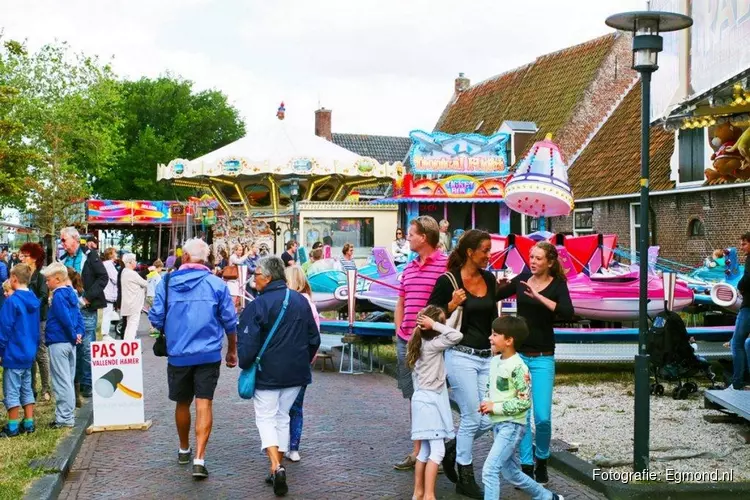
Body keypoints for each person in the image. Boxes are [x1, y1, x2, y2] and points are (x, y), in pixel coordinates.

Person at [148, 238, 238, 480]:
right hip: (208, 353)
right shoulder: (217, 284)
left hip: (178, 354)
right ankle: (200, 458)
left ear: (185, 258)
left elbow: (156, 318)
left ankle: (183, 448)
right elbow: (230, 321)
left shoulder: (166, 283)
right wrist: (232, 350)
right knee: (204, 403)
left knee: (182, 403)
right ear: (205, 259)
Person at [238, 256, 320, 496]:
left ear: (268, 276)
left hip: (267, 373)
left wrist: (245, 363)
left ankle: (276, 466)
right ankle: (276, 467)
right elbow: (314, 338)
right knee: (283, 417)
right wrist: (303, 361)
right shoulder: (300, 301)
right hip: (296, 373)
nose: (254, 278)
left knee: (265, 418)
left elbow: (248, 343)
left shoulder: (258, 305)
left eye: (257, 274)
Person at [427, 229, 501, 497]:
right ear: (470, 253)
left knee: (490, 416)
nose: (489, 255)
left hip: (486, 357)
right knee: (471, 417)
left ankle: (450, 451)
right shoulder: (448, 281)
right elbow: (428, 318)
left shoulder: (490, 279)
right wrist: (450, 305)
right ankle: (465, 477)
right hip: (460, 355)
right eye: (485, 250)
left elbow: (493, 317)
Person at [496, 241, 574, 483]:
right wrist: (499, 286)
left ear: (550, 262)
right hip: (520, 356)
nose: (533, 261)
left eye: (538, 258)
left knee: (542, 416)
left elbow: (567, 313)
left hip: (543, 357)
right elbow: (496, 294)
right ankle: (527, 465)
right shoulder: (522, 278)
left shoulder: (558, 285)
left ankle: (543, 457)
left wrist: (539, 297)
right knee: (523, 414)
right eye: (531, 257)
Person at [480, 316, 565, 500]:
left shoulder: (519, 367)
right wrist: (487, 401)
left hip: (511, 426)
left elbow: (524, 402)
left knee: (489, 470)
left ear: (509, 341)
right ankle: (547, 497)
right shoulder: (495, 361)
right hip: (498, 424)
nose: (490, 338)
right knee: (510, 472)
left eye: (495, 334)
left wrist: (496, 407)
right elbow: (490, 386)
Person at [393, 215, 448, 471]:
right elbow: (401, 302)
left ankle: (432, 447)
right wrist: (399, 330)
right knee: (413, 398)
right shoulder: (409, 267)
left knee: (430, 396)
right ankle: (418, 450)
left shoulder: (445, 266)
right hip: (406, 340)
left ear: (424, 237)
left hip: (430, 345)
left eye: (412, 233)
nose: (408, 237)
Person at [407, 305, 463, 500]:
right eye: (440, 321)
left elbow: (451, 330)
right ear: (431, 325)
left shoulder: (417, 342)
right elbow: (456, 336)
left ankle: (418, 493)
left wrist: (436, 322)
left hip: (421, 400)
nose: (443, 324)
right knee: (438, 451)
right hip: (430, 403)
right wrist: (436, 325)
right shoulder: (432, 345)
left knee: (424, 451)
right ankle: (430, 496)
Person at [59, 227, 108, 399]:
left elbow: (103, 277)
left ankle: (87, 384)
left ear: (74, 239)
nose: (62, 244)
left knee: (87, 347)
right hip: (69, 310)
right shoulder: (63, 259)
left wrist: (86, 298)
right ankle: (76, 382)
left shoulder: (90, 255)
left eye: (64, 240)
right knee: (74, 347)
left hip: (86, 308)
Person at [284, 266, 320, 463]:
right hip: (303, 361)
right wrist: (310, 358)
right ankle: (294, 447)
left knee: (279, 405)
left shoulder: (285, 302)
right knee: (297, 406)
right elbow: (316, 335)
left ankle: (278, 444)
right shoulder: (311, 305)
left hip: (282, 360)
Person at [0, 264, 41, 437]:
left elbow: (4, 328)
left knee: (11, 390)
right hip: (29, 351)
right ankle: (29, 423)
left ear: (14, 279)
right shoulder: (34, 299)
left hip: (13, 352)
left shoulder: (12, 301)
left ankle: (13, 426)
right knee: (27, 388)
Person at [42, 262, 84, 428]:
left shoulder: (58, 295)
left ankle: (64, 418)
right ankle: (68, 414)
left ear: (57, 279)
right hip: (70, 342)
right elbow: (77, 316)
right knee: (68, 378)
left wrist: (73, 334)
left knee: (61, 380)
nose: (46, 283)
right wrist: (78, 333)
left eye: (48, 280)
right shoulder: (71, 293)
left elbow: (64, 318)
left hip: (59, 340)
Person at [20, 243, 51, 402]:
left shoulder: (40, 276)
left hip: (38, 318)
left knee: (41, 353)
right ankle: (31, 389)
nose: (22, 258)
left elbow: (44, 296)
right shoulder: (21, 275)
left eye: (25, 255)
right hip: (25, 319)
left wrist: (32, 307)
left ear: (35, 258)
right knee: (29, 355)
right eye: (22, 255)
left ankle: (46, 388)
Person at [732, 232, 750, 390]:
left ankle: (737, 382)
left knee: (736, 343)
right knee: (749, 343)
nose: (741, 247)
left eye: (744, 244)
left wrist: (740, 287)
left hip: (749, 306)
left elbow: (748, 278)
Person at [120, 253, 148, 340]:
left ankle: (127, 345)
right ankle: (130, 346)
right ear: (130, 262)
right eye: (135, 260)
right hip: (134, 304)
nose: (136, 262)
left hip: (128, 304)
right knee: (132, 327)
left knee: (129, 326)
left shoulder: (124, 272)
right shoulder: (132, 273)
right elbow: (145, 283)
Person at [100, 247, 119, 339]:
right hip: (108, 293)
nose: (117, 254)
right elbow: (115, 279)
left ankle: (104, 333)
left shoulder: (106, 264)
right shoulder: (109, 264)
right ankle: (105, 335)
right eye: (115, 253)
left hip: (106, 293)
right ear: (111, 254)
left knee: (107, 313)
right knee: (106, 314)